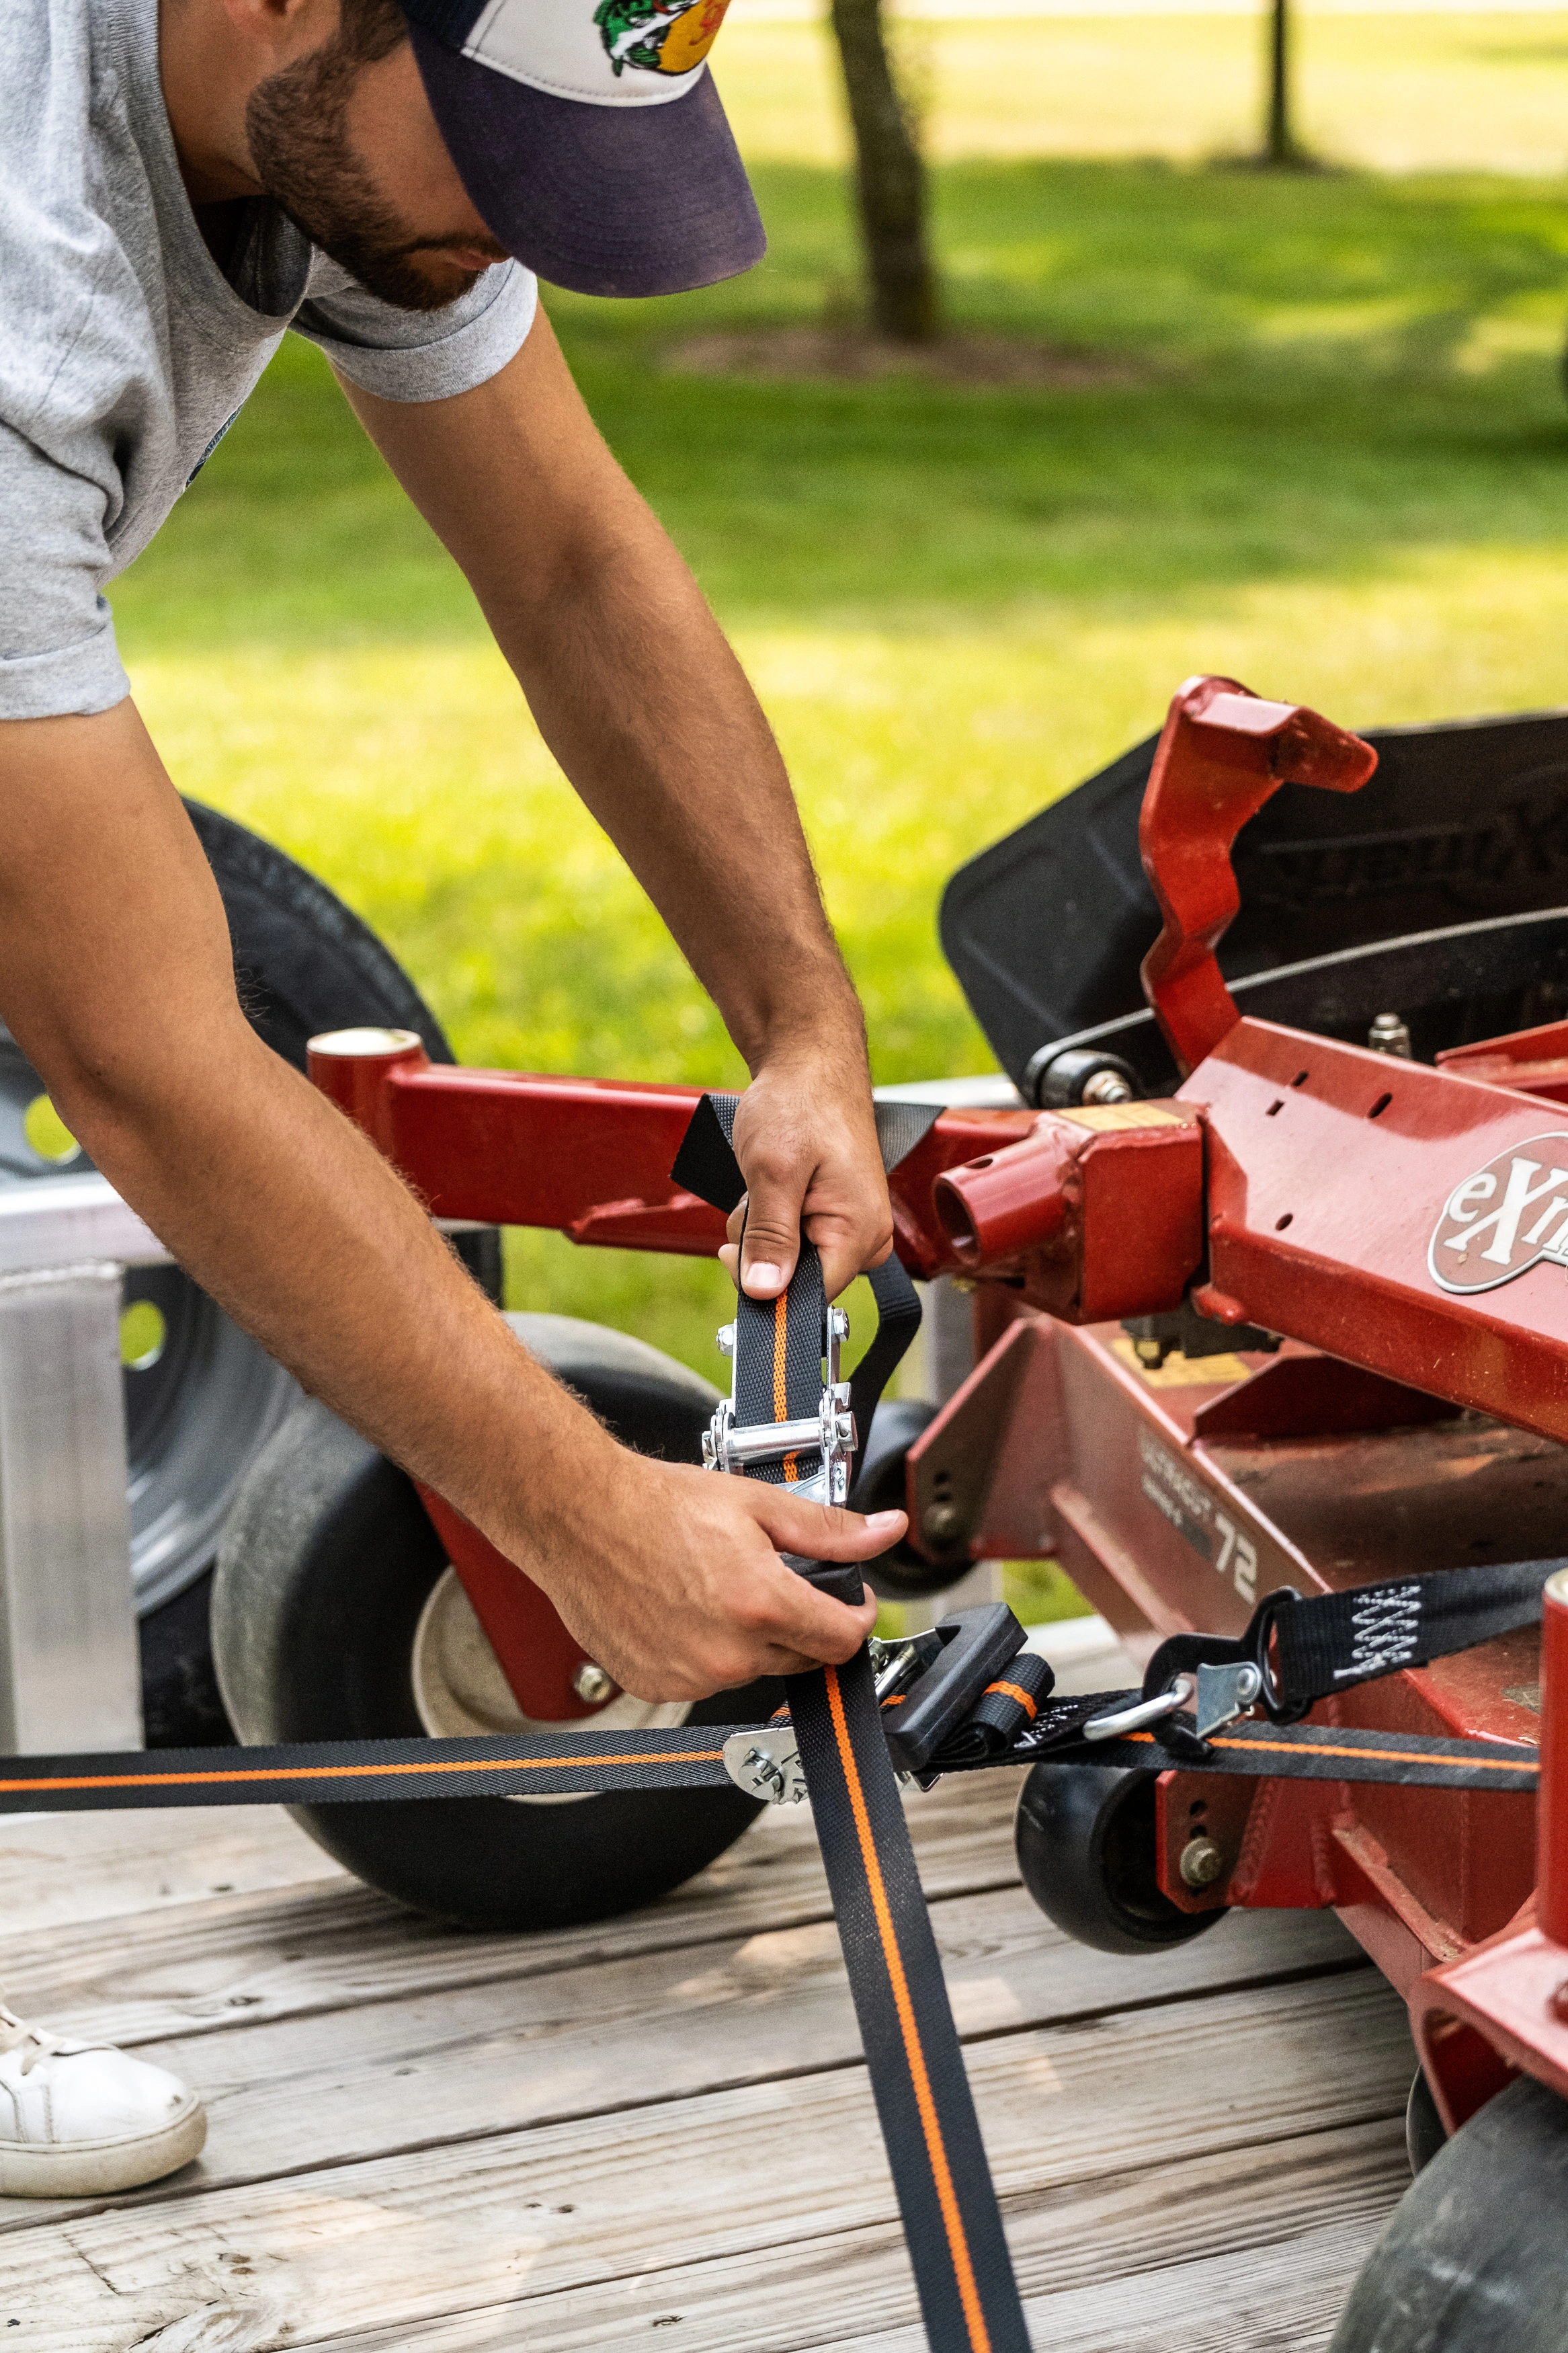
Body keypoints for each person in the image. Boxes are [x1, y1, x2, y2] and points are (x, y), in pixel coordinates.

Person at [0, 0, 905, 2194]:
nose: (516, 226)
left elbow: (574, 567)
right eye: (495, 152)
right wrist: (586, 1518)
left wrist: (805, 1023)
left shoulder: (339, 143)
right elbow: (143, 1053)